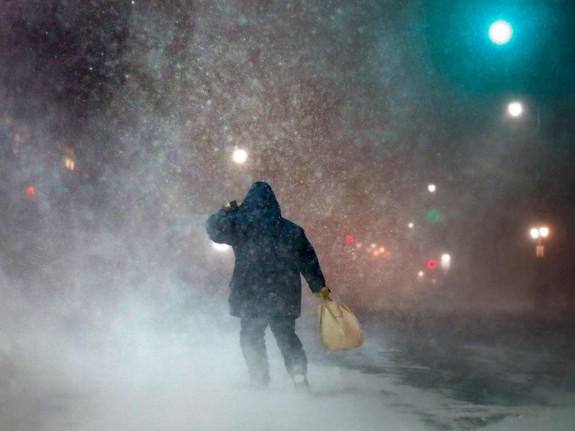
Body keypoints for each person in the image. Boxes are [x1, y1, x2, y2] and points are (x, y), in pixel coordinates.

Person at [205, 182, 330, 390]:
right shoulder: (292, 230)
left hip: (250, 293)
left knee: (251, 336)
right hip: (284, 293)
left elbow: (212, 228)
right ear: (274, 203)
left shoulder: (240, 225)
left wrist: (229, 209)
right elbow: (308, 261)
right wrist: (319, 286)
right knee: (287, 337)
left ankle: (259, 380)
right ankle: (298, 375)